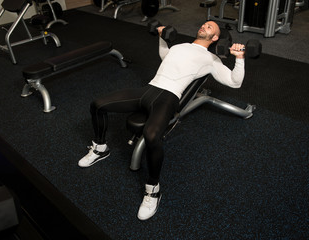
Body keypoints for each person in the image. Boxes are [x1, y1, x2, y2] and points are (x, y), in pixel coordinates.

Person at [78, 21, 246, 220]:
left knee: (151, 135)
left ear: (215, 38)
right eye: (204, 24)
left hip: (168, 98)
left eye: (210, 27)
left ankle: (152, 189)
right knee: (97, 104)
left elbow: (235, 82)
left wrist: (240, 58)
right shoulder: (179, 46)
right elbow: (164, 56)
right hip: (148, 89)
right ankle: (100, 148)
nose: (204, 26)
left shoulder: (212, 59)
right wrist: (161, 37)